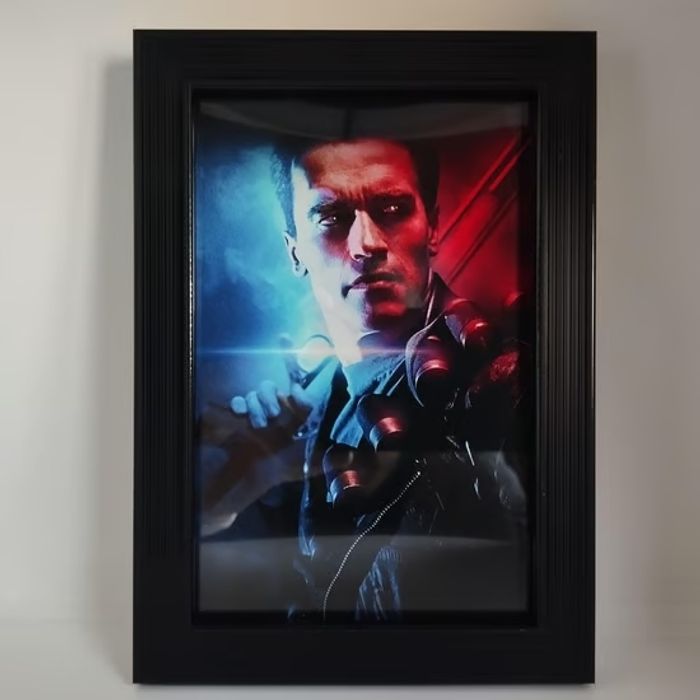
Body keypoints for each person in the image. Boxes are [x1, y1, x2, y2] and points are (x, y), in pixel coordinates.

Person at [199, 136, 530, 622]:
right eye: (331, 218)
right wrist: (241, 492)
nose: (366, 244)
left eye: (392, 208)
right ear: (295, 251)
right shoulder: (313, 425)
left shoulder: (505, 389)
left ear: (432, 226)